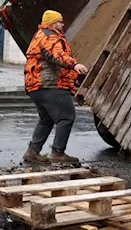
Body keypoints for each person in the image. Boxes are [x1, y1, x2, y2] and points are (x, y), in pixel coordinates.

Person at [23, 9, 89, 165]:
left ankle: (32, 152)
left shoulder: (41, 35)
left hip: (37, 85)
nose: (62, 24)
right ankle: (58, 153)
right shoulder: (49, 37)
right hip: (50, 84)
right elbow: (57, 55)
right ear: (53, 23)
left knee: (46, 119)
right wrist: (75, 64)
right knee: (66, 117)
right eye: (60, 21)